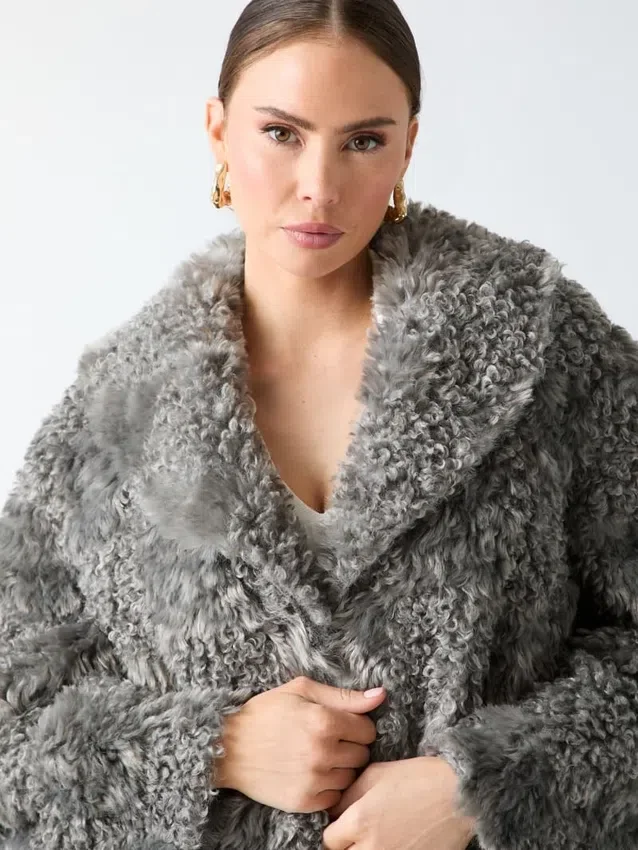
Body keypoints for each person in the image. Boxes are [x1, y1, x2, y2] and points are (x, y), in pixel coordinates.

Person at [2, 1, 637, 848]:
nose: (319, 186)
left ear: (408, 146)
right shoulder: (115, 417)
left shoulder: (541, 351)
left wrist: (484, 787)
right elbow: (12, 726)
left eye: (363, 141)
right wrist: (212, 748)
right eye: (282, 133)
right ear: (218, 131)